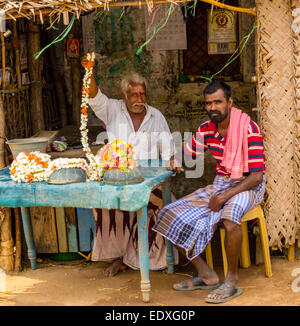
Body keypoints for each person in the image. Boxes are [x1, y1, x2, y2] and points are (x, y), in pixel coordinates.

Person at [152, 80, 266, 304]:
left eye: (218, 102)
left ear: (229, 102)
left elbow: (257, 176)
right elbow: (188, 153)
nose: (212, 107)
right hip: (221, 183)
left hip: (247, 184)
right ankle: (206, 274)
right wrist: (174, 160)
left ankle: (231, 281)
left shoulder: (248, 128)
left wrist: (223, 197)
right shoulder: (207, 129)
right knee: (167, 214)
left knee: (230, 217)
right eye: (208, 103)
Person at [81, 55, 182, 277]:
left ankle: (136, 259)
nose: (139, 99)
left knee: (161, 206)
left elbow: (168, 151)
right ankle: (119, 257)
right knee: (103, 206)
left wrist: (173, 162)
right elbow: (93, 96)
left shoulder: (156, 116)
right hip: (116, 182)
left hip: (148, 184)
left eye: (142, 94)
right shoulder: (113, 110)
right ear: (124, 96)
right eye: (134, 94)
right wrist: (89, 70)